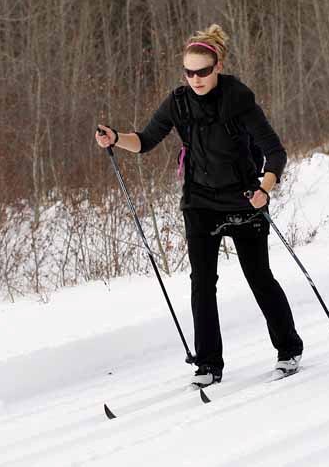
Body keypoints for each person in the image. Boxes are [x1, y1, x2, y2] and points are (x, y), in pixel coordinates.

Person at [95, 24, 303, 387]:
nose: (196, 79)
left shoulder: (238, 98)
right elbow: (144, 141)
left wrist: (264, 189)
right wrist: (115, 138)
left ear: (217, 66)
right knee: (201, 284)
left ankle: (289, 349)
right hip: (201, 202)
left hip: (243, 199)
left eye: (203, 71)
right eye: (189, 72)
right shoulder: (178, 102)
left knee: (259, 277)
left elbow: (275, 152)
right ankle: (208, 364)